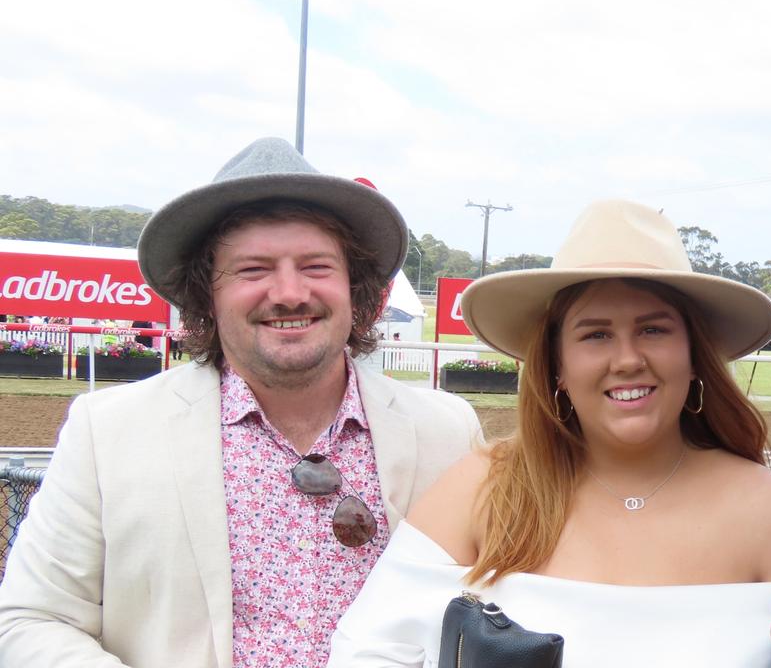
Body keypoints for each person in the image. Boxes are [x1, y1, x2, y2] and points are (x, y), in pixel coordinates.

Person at [0, 137, 482, 667]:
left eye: (317, 266)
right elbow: (32, 620)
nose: (289, 292)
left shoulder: (448, 433)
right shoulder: (108, 433)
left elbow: (497, 603)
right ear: (206, 293)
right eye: (253, 270)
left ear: (356, 286)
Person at [330, 199, 771, 666]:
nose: (627, 360)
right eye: (596, 334)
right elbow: (369, 648)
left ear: (693, 356)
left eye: (654, 330)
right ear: (557, 366)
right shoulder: (485, 489)